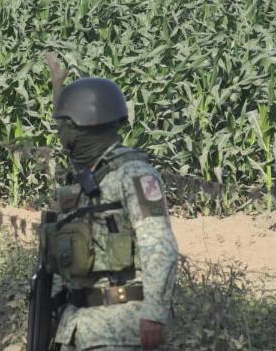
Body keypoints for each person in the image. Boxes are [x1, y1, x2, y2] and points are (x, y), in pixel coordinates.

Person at [45, 76, 179, 351]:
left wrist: (155, 313)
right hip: (78, 327)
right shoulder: (80, 182)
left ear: (81, 128)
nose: (61, 136)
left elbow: (159, 245)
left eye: (65, 127)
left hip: (120, 328)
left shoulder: (134, 174)